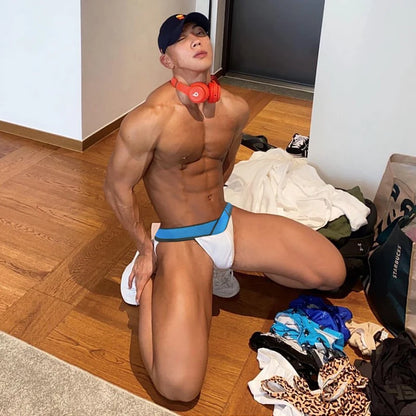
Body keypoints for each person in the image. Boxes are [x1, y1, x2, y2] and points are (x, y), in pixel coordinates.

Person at [104, 12, 346, 402]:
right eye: (183, 38)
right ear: (166, 59)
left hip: (224, 221)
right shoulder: (148, 120)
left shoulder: (234, 109)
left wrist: (241, 248)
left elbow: (224, 167)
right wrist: (145, 250)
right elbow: (117, 188)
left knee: (332, 272)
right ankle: (152, 278)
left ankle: (220, 266)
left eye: (200, 32)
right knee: (179, 387)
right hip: (181, 238)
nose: (196, 40)